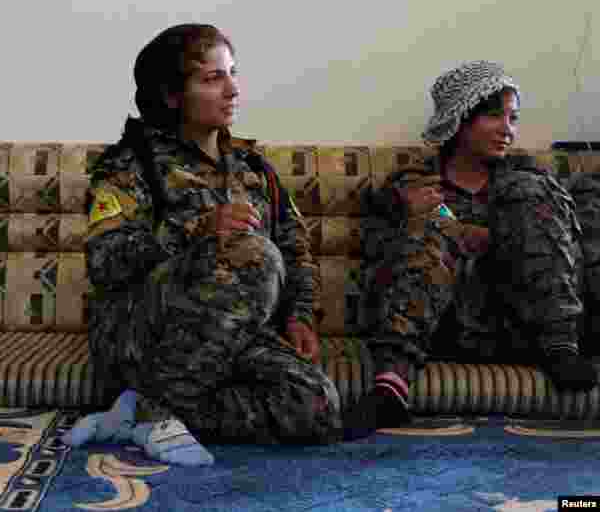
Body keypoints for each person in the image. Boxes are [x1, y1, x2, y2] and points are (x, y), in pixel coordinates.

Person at [62, 24, 342, 465]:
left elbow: (295, 248)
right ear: (173, 95)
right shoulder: (131, 165)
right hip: (146, 336)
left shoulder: (254, 168)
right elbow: (106, 262)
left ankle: (140, 412)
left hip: (235, 336)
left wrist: (300, 316)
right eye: (212, 79)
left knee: (317, 407)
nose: (233, 90)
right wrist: (193, 232)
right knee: (253, 253)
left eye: (233, 73)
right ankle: (152, 410)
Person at [343, 61, 599, 440]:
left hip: (524, 325)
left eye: (513, 118)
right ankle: (390, 386)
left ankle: (561, 345)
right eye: (494, 116)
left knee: (530, 194)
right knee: (427, 225)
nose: (507, 129)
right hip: (445, 327)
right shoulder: (411, 185)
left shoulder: (529, 180)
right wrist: (415, 222)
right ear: (459, 119)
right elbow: (376, 261)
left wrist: (496, 237)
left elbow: (566, 247)